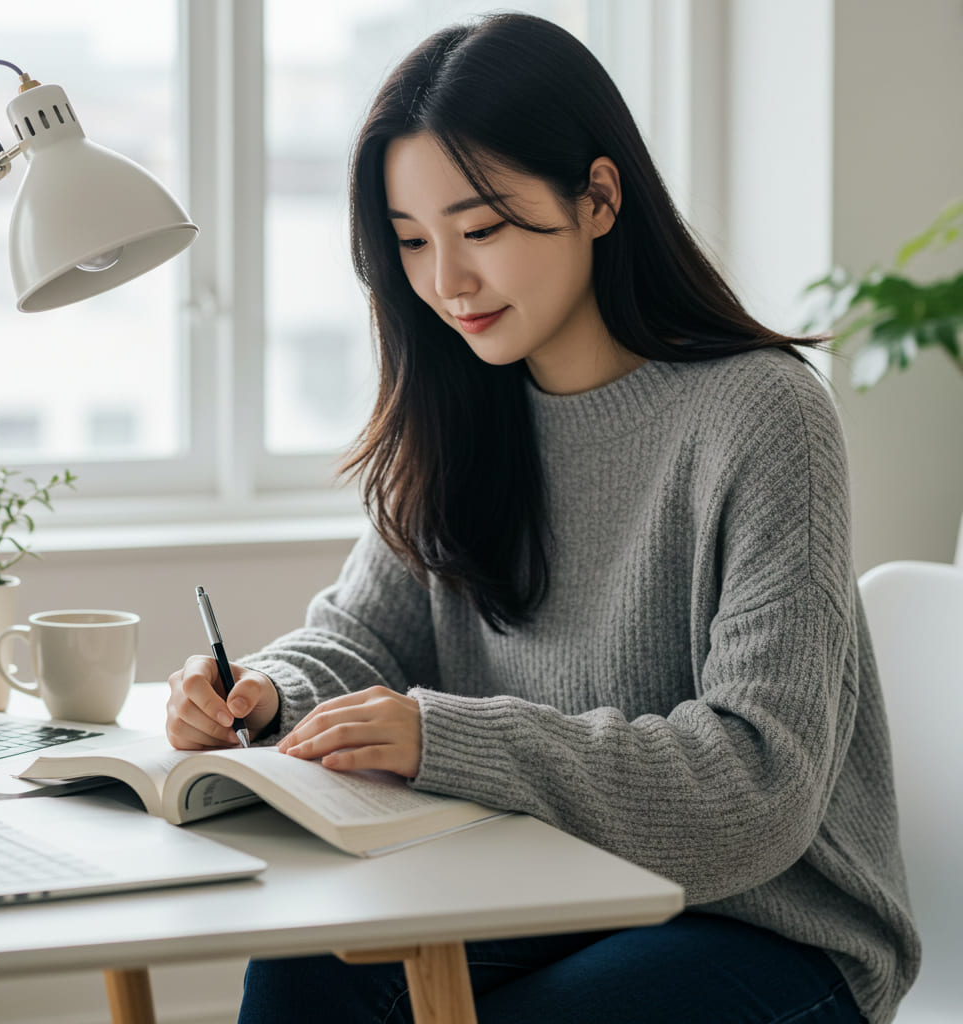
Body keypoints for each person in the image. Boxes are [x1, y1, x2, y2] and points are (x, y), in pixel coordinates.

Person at [166, 12, 920, 1023]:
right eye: (412, 242)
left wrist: (447, 739)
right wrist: (265, 691)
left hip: (770, 925)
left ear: (598, 197)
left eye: (480, 230)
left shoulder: (761, 414)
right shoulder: (464, 405)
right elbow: (363, 638)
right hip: (545, 892)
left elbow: (757, 780)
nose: (446, 282)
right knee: (305, 973)